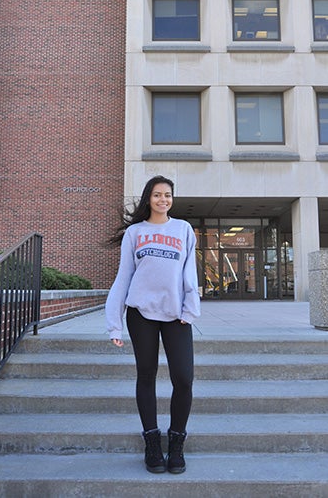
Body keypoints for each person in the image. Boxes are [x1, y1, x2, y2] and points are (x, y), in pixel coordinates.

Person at [105, 175, 201, 474]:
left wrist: (190, 309)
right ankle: (152, 444)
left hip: (176, 316)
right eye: (158, 194)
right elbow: (124, 277)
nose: (163, 200)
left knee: (183, 379)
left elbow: (190, 273)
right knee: (145, 376)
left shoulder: (183, 229)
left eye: (168, 195)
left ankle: (176, 444)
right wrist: (114, 323)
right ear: (149, 198)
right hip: (141, 313)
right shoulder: (135, 232)